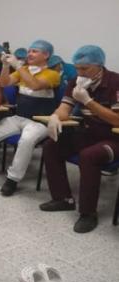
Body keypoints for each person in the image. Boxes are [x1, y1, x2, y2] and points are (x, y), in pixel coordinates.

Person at [0, 40, 60, 196]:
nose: (30, 54)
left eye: (35, 51)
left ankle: (13, 179)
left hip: (40, 121)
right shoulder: (24, 70)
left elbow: (35, 85)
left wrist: (19, 66)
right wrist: (7, 66)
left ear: (46, 55)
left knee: (26, 140)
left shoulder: (52, 74)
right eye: (30, 50)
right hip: (19, 117)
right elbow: (4, 82)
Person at [39, 45, 119, 233]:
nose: (80, 73)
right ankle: (62, 199)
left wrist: (88, 101)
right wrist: (56, 117)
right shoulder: (76, 81)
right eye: (77, 68)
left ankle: (88, 213)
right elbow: (65, 108)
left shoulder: (115, 82)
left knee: (88, 155)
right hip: (89, 133)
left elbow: (116, 119)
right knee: (51, 145)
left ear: (99, 66)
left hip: (114, 137)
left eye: (85, 69)